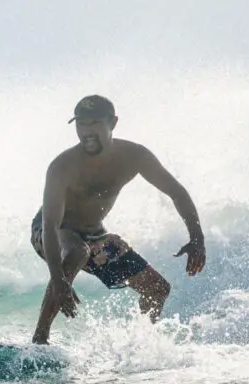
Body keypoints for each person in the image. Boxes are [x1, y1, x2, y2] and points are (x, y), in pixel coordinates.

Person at [29, 94, 207, 344]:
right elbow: (50, 225)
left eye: (94, 124)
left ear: (113, 123)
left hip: (95, 236)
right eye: (81, 124)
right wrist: (58, 279)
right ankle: (40, 340)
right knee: (78, 251)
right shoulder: (62, 166)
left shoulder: (135, 156)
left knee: (157, 289)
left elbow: (176, 192)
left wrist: (197, 238)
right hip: (51, 231)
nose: (87, 131)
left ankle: (141, 346)